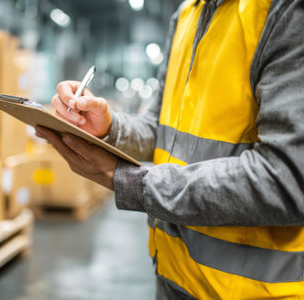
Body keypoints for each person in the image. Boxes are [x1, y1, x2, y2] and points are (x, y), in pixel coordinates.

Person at [35, 0, 304, 298]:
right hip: (171, 276)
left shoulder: (282, 10)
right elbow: (159, 124)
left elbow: (287, 179)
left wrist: (127, 180)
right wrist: (109, 127)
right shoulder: (188, 13)